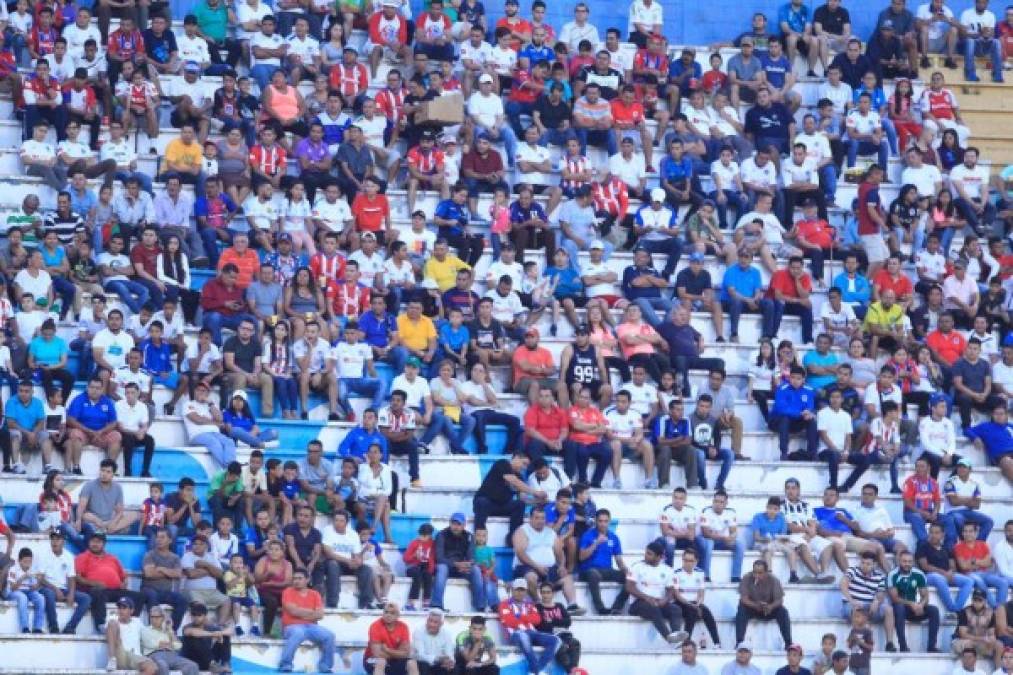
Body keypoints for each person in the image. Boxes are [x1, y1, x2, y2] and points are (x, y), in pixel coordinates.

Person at [512, 506, 583, 614]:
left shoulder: (550, 533)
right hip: (527, 567)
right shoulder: (522, 531)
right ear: (530, 518)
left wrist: (562, 566)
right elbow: (520, 553)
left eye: (542, 518)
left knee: (567, 578)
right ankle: (538, 604)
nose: (540, 521)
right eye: (537, 518)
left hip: (549, 568)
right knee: (531, 577)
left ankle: (572, 605)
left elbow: (560, 553)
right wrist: (537, 567)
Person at [625, 540, 689, 645]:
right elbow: (629, 587)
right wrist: (647, 598)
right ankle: (668, 637)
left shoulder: (667, 570)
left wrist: (665, 600)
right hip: (638, 603)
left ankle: (676, 635)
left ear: (659, 557)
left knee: (676, 609)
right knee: (653, 608)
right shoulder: (636, 566)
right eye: (646, 552)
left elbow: (670, 590)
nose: (645, 555)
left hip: (658, 602)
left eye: (649, 554)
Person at [278, 567, 336, 673]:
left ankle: (325, 665)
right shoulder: (287, 592)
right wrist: (311, 613)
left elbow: (320, 614)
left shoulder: (315, 594)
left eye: (300, 578)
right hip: (291, 626)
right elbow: (293, 611)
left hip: (311, 627)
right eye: (295, 578)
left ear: (307, 580)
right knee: (298, 633)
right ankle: (285, 664)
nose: (296, 581)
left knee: (329, 636)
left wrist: (301, 613)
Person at [840, 550, 898, 651]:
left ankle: (889, 643)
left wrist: (876, 601)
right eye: (862, 563)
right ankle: (855, 643)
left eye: (868, 564)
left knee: (888, 609)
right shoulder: (852, 571)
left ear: (874, 565)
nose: (864, 566)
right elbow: (843, 584)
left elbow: (881, 593)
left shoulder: (880, 576)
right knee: (856, 610)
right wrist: (851, 600)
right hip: (852, 605)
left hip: (869, 606)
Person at [916, 522, 977, 613]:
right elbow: (925, 566)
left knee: (969, 581)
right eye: (931, 532)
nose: (933, 535)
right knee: (939, 578)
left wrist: (951, 572)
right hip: (929, 576)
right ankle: (951, 608)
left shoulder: (946, 548)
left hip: (946, 574)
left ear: (942, 534)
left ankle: (957, 607)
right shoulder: (923, 547)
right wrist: (943, 573)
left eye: (936, 533)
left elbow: (952, 565)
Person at [578, 508, 629, 616]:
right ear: (596, 521)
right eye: (600, 521)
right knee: (593, 574)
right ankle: (600, 608)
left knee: (631, 578)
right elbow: (581, 557)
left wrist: (625, 569)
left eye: (605, 521)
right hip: (589, 570)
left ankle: (617, 608)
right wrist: (596, 543)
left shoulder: (614, 537)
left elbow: (619, 560)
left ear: (609, 521)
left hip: (607, 570)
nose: (603, 524)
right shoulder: (588, 535)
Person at [432, 513, 486, 612]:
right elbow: (439, 558)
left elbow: (471, 556)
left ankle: (480, 606)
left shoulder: (469, 536)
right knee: (442, 568)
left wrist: (468, 564)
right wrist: (455, 564)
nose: (456, 527)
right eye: (453, 523)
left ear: (464, 525)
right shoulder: (441, 535)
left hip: (462, 568)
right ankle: (436, 604)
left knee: (476, 570)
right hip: (446, 566)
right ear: (450, 523)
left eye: (459, 524)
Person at [735, 559, 792, 648]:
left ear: (766, 572)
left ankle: (788, 643)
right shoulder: (747, 577)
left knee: (783, 612)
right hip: (752, 608)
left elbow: (779, 600)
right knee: (741, 609)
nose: (756, 575)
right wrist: (755, 605)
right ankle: (739, 642)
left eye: (760, 573)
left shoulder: (773, 579)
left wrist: (770, 606)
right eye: (755, 572)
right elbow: (743, 599)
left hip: (769, 609)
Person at [413, 607, 456, 675]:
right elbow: (420, 655)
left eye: (435, 622)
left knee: (452, 668)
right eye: (430, 621)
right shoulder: (419, 631)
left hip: (440, 664)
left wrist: (450, 661)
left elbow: (449, 653)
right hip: (423, 663)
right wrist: (437, 658)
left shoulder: (447, 633)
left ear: (441, 624)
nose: (431, 624)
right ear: (426, 620)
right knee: (424, 665)